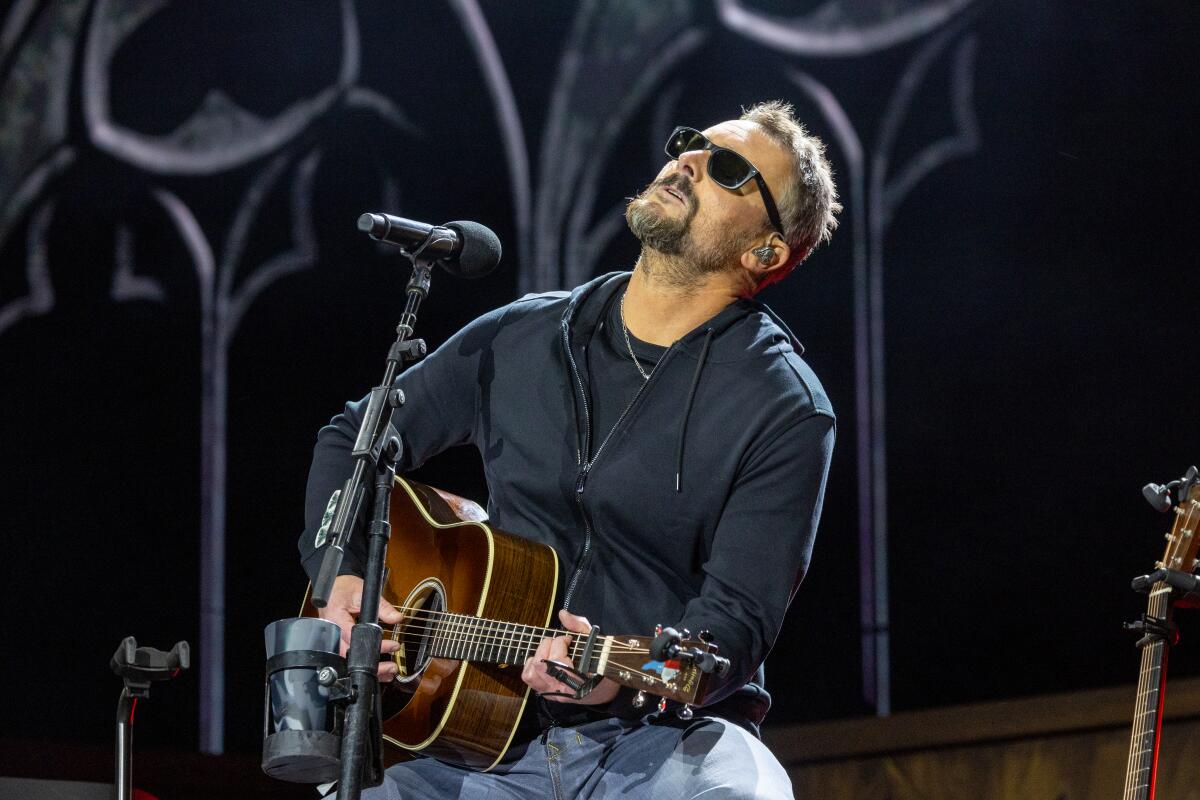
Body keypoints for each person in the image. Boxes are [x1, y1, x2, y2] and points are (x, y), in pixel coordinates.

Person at [299, 100, 840, 799]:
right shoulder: (525, 335)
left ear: (763, 251)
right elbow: (353, 440)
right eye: (690, 144)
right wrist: (338, 577)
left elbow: (731, 632)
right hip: (478, 748)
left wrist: (614, 676)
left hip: (659, 745)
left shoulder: (784, 405)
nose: (689, 161)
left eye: (728, 168)